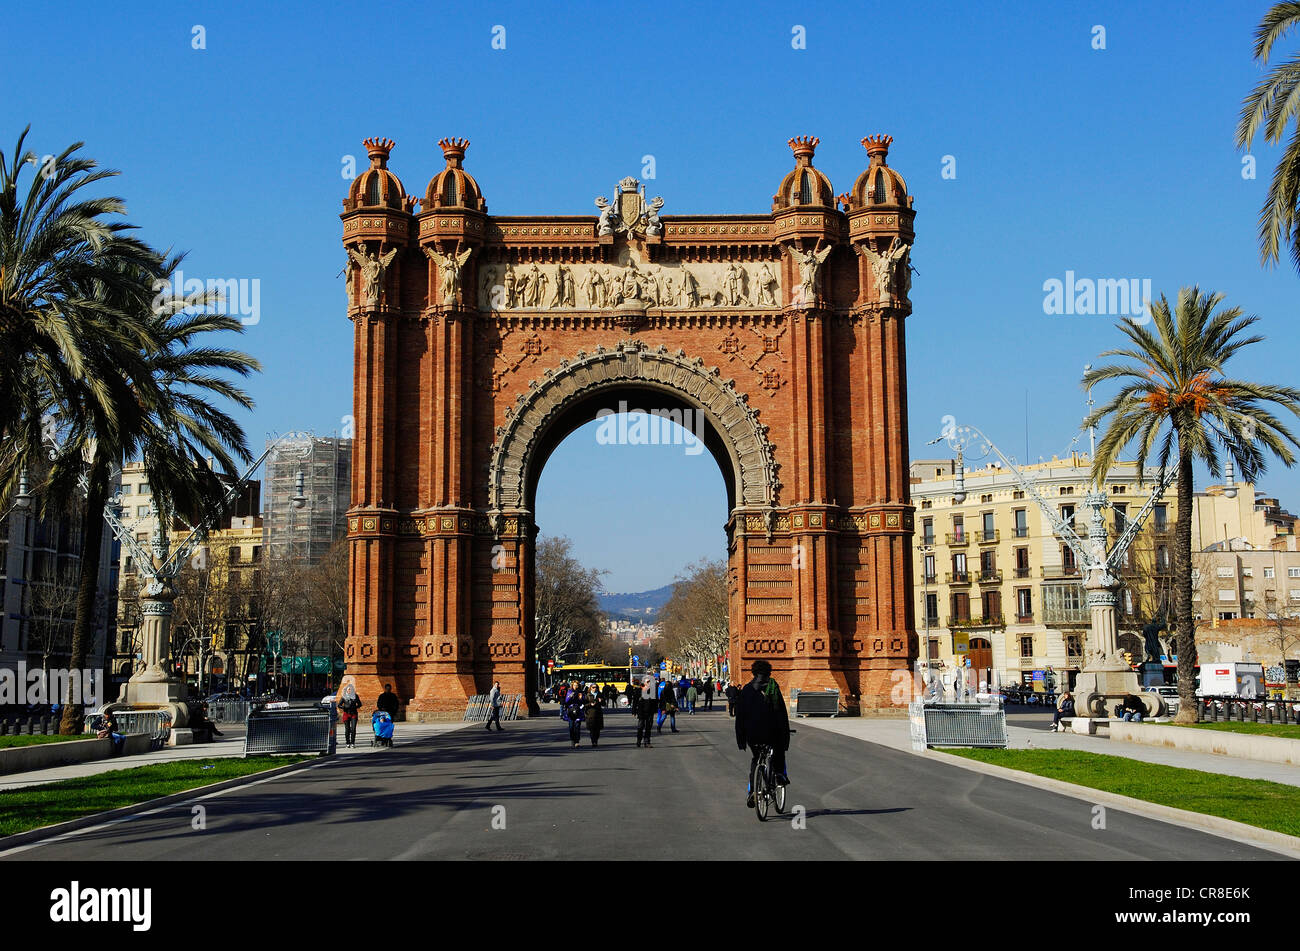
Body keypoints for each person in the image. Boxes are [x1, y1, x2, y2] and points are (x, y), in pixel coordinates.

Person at [735, 660, 790, 807]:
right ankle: (779, 776)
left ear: (753, 672)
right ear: (769, 672)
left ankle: (753, 791)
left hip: (752, 734)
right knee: (778, 753)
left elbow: (740, 716)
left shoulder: (747, 690)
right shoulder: (773, 687)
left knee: (756, 759)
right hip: (772, 732)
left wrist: (741, 738)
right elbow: (781, 713)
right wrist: (785, 735)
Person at [337, 679, 363, 748]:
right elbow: (339, 705)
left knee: (353, 729)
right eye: (348, 689)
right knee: (347, 729)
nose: (349, 691)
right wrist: (344, 708)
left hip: (354, 713)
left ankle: (352, 743)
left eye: (350, 689)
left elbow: (360, 704)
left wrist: (355, 707)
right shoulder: (344, 697)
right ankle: (347, 743)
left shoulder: (355, 696)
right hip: (346, 714)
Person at [636, 677, 657, 748]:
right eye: (647, 682)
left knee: (648, 728)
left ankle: (647, 742)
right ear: (644, 683)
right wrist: (634, 711)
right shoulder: (639, 691)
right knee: (640, 727)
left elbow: (655, 701)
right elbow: (635, 702)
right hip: (641, 712)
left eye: (649, 682)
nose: (649, 683)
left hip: (650, 712)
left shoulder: (652, 691)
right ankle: (639, 740)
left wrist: (655, 710)